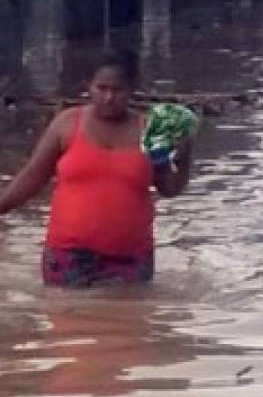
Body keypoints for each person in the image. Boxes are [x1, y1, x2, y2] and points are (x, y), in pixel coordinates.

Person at [0, 49, 193, 287]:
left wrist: (184, 156)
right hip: (68, 255)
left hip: (131, 257)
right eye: (101, 88)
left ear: (132, 88)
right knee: (70, 320)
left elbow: (169, 188)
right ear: (88, 85)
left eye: (117, 90)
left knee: (130, 322)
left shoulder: (150, 131)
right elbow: (33, 177)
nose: (109, 97)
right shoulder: (67, 123)